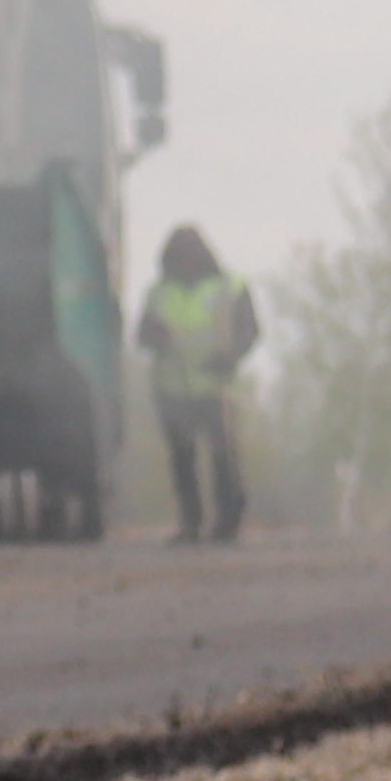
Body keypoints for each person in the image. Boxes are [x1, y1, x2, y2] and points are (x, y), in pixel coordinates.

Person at [140, 222, 262, 541]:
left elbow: (250, 330)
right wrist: (157, 338)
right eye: (177, 259)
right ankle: (190, 523)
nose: (184, 265)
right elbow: (143, 333)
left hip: (216, 387)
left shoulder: (229, 287)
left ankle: (228, 520)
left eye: (188, 258)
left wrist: (230, 356)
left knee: (223, 457)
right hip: (172, 388)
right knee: (182, 459)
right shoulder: (158, 292)